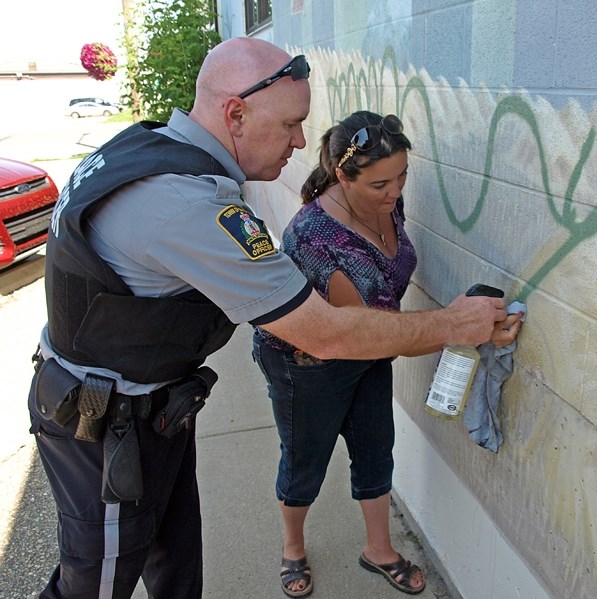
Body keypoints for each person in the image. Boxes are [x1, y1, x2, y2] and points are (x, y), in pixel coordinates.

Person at [27, 38, 507, 599]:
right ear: (236, 113)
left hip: (147, 411)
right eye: (291, 124)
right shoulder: (186, 203)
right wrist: (453, 324)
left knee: (173, 564)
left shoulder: (145, 149)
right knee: (95, 586)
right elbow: (325, 331)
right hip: (105, 425)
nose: (303, 141)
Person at [252, 111, 523, 597]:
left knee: (376, 451)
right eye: (380, 184)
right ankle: (293, 547)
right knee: (304, 462)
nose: (395, 192)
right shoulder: (316, 239)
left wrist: (472, 327)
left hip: (369, 348)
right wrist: (466, 332)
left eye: (401, 177)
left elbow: (378, 333)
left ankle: (378, 548)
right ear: (342, 174)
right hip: (308, 364)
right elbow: (362, 336)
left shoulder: (383, 201)